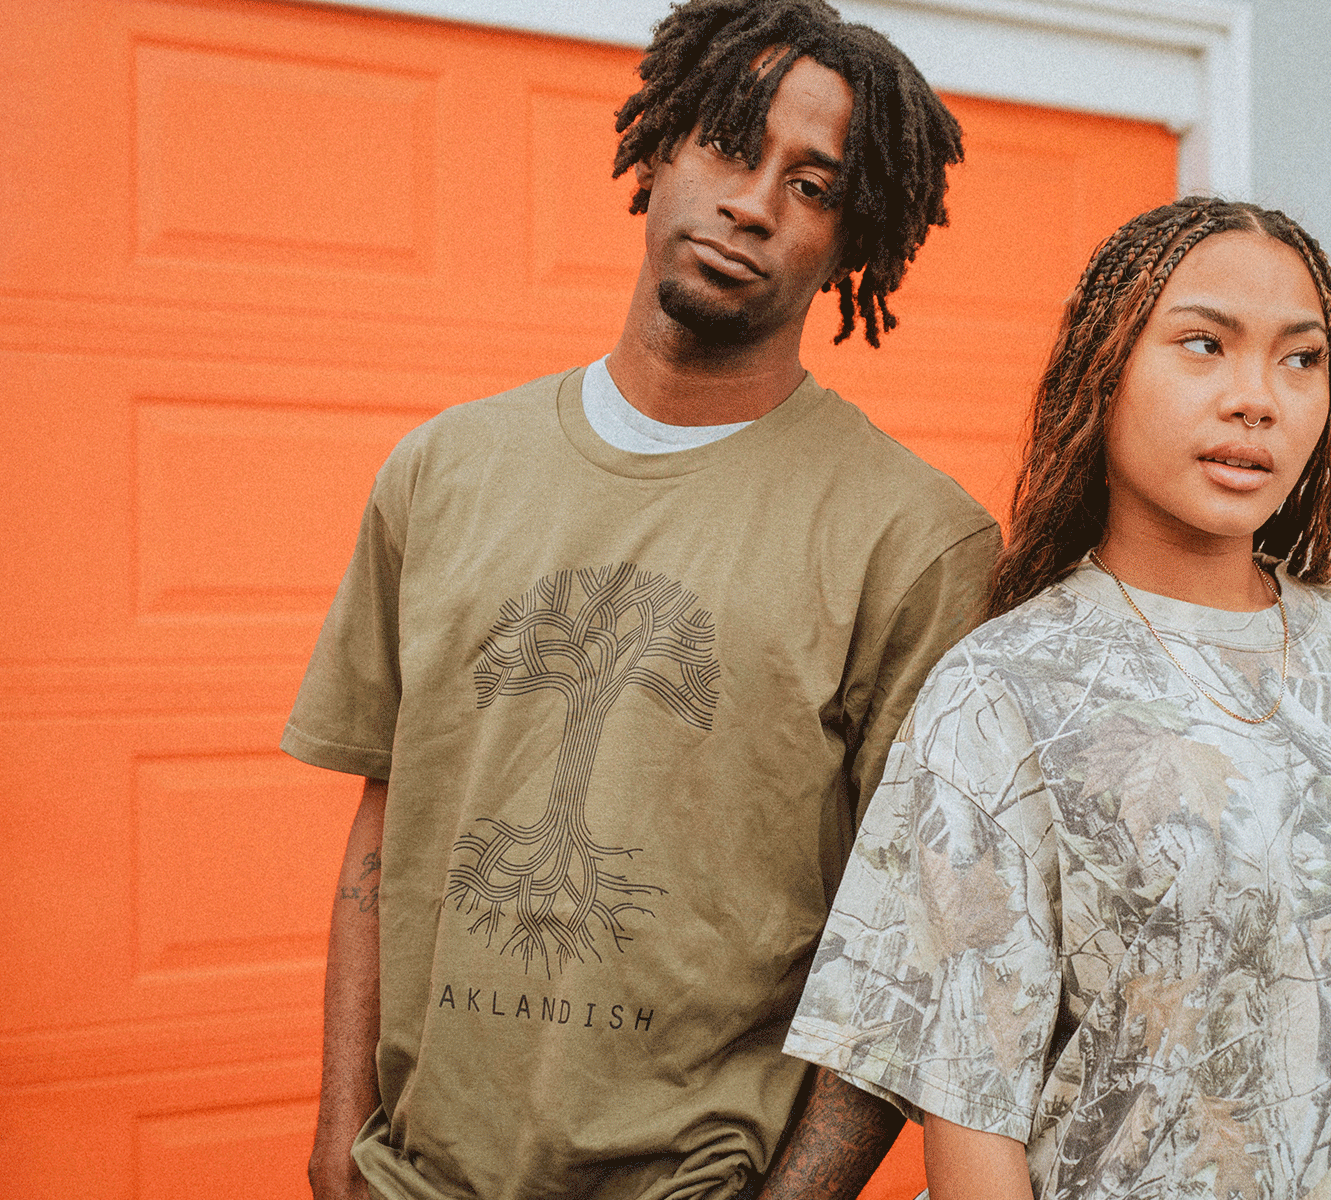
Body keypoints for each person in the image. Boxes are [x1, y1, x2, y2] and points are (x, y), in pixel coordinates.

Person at [280, 2, 990, 1196]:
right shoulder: (443, 471)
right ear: (658, 148)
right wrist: (333, 1138)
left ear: (850, 239)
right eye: (727, 142)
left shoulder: (913, 542)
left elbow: (909, 943)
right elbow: (384, 816)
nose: (753, 203)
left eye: (811, 187)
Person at [782, 197, 1331, 1200]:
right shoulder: (1003, 692)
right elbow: (971, 1111)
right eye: (1202, 345)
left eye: (1299, 359)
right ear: (1104, 371)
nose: (1255, 398)